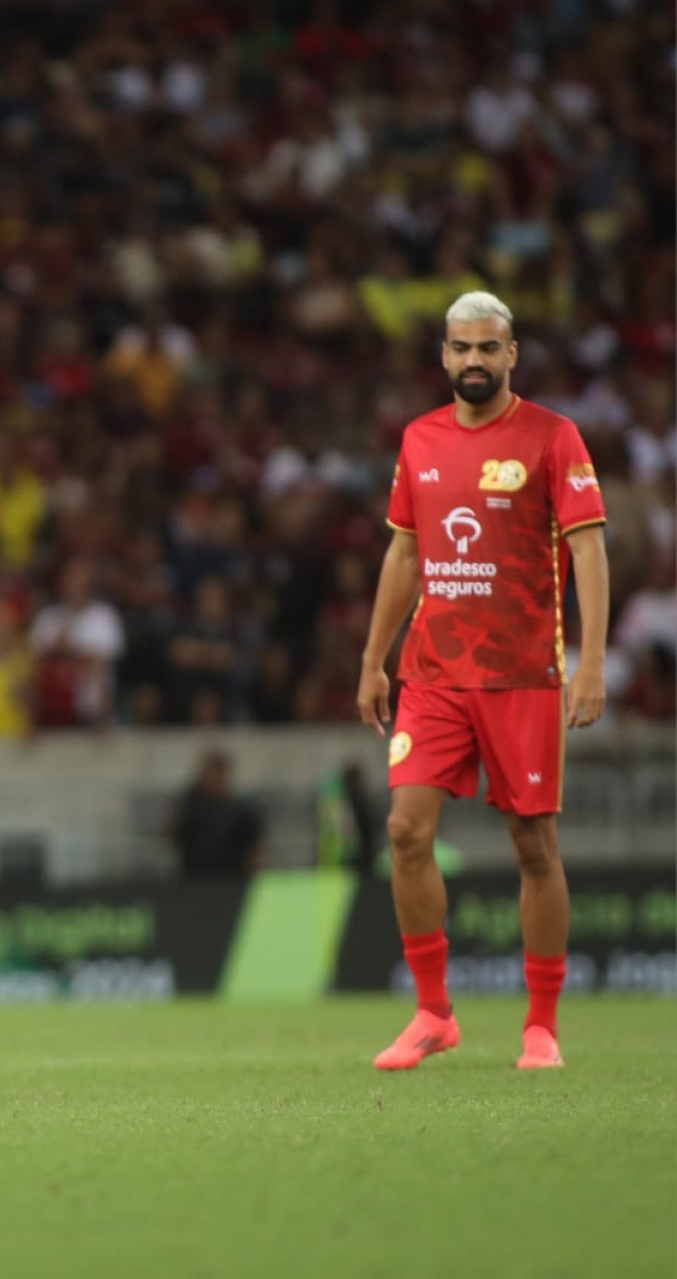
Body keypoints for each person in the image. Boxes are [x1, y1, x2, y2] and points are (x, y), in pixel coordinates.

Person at [357, 291, 608, 1072]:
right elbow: (405, 555)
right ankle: (434, 1012)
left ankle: (541, 1026)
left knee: (533, 843)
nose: (473, 360)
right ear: (442, 355)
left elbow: (589, 551)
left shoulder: (552, 437)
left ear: (512, 354)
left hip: (522, 673)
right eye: (460, 348)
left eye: (487, 349)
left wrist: (591, 661)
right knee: (404, 830)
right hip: (434, 670)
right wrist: (373, 657)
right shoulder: (419, 438)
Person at [166, 748, 265, 878]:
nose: (211, 778)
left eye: (216, 772)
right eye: (207, 772)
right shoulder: (189, 807)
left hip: (230, 882)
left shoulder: (241, 810)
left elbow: (255, 850)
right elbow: (170, 836)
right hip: (192, 882)